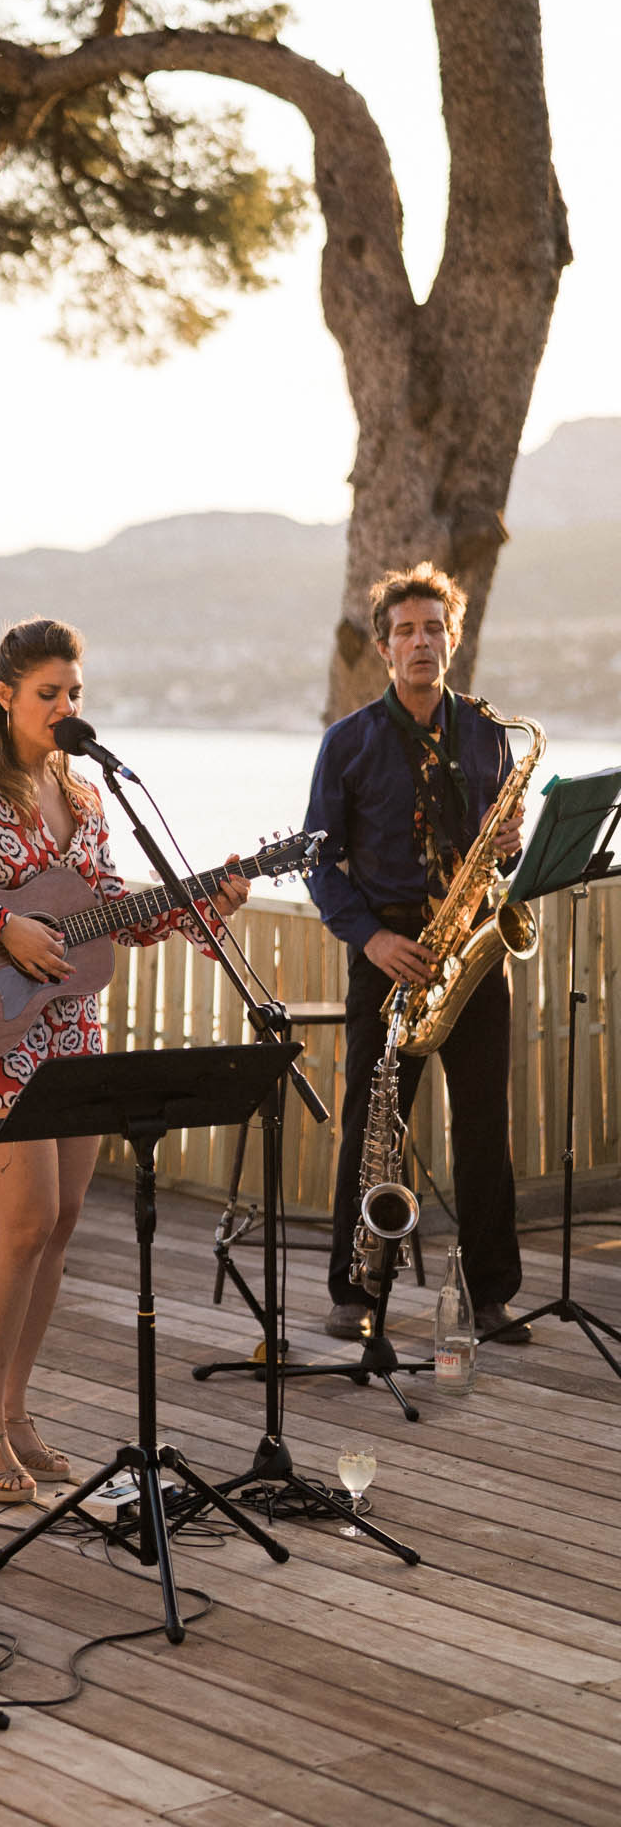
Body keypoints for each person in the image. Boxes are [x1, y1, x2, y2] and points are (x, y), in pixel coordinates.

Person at [0, 618, 249, 1503]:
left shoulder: (84, 797)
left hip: (67, 1030)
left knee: (66, 1215)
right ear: (5, 695)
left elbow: (106, 908)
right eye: (50, 694)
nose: (66, 708)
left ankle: (16, 1406)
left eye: (75, 694)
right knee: (27, 1218)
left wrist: (207, 901)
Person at [304, 562, 529, 1343]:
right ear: (384, 646)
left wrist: (507, 844)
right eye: (406, 630)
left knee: (482, 1125)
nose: (421, 642)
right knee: (374, 1124)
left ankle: (492, 1293)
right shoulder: (349, 743)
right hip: (391, 952)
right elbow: (317, 862)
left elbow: (495, 855)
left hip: (472, 946)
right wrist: (373, 938)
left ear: (454, 638)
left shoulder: (489, 733)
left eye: (435, 627)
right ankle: (354, 1292)